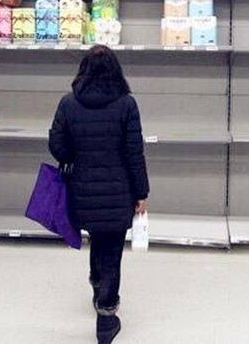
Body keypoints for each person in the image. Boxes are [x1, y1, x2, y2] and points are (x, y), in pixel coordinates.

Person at [48, 44, 149, 344]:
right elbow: (134, 153)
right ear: (116, 71)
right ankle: (106, 320)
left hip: (82, 190)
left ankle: (96, 283)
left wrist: (75, 155)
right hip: (119, 192)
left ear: (83, 71)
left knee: (96, 236)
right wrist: (141, 191)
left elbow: (57, 146)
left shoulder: (68, 103)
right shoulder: (127, 104)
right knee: (112, 251)